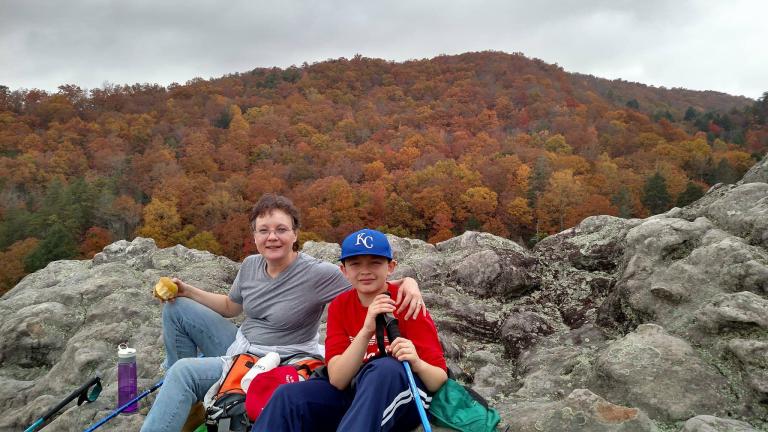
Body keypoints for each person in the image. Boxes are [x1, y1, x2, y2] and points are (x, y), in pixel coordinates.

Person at [140, 195, 425, 432]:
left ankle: (190, 396)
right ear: (254, 236)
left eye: (281, 229)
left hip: (282, 358)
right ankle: (192, 403)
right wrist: (187, 290)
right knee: (176, 308)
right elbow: (231, 306)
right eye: (263, 230)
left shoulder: (316, 273)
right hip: (241, 347)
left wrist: (408, 283)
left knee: (183, 372)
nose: (272, 237)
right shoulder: (251, 265)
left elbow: (365, 281)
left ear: (295, 234)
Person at [252, 228, 448, 432]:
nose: (365, 271)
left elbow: (438, 380)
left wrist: (416, 362)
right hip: (354, 393)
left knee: (384, 369)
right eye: (355, 264)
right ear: (343, 270)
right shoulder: (340, 306)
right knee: (288, 397)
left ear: (390, 267)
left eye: (375, 262)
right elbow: (337, 379)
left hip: (404, 395)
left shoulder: (407, 303)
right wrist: (366, 331)